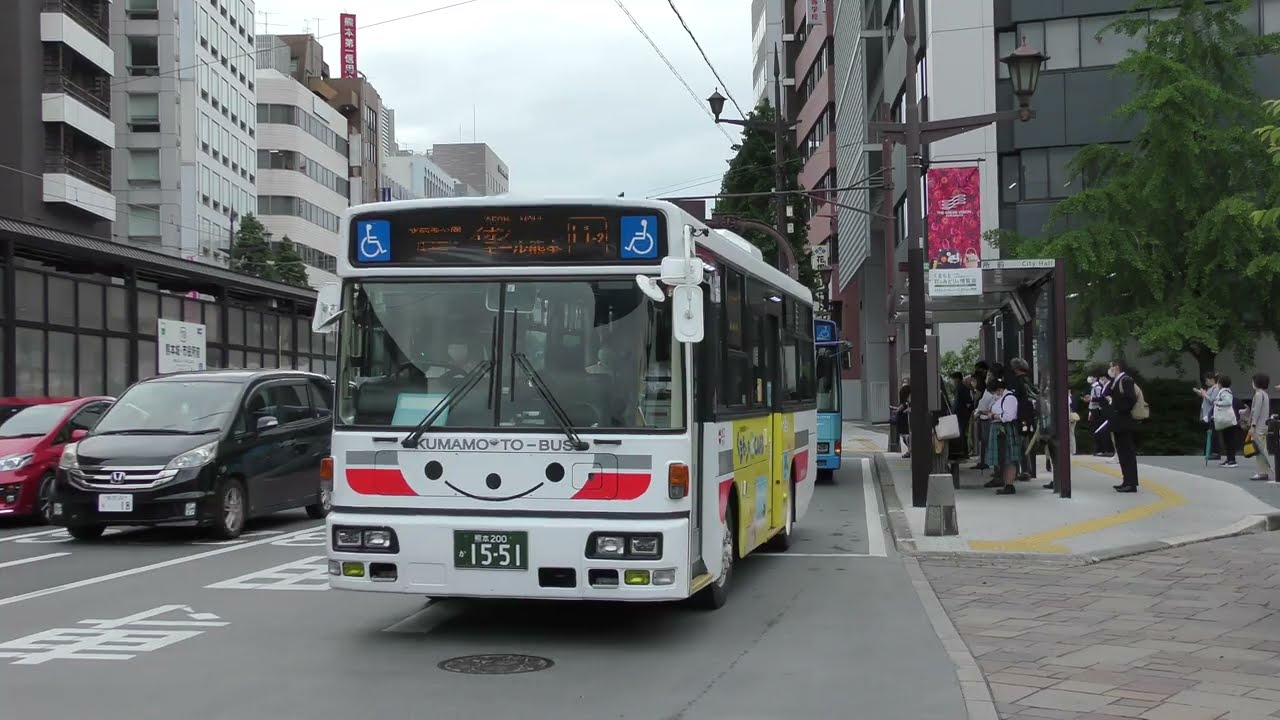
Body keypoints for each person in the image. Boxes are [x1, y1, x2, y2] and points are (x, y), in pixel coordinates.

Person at [1103, 359, 1140, 491]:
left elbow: (1131, 399)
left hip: (1123, 420)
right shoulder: (1117, 381)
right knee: (1122, 453)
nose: (1110, 370)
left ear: (1117, 367)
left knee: (1127, 452)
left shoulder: (1125, 380)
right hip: (1118, 421)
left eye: (1111, 367)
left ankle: (1131, 483)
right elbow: (1106, 392)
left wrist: (1118, 407)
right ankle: (1126, 480)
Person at [984, 377, 1021, 495]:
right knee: (1003, 457)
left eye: (994, 392)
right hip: (1001, 429)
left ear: (999, 389)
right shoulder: (1002, 398)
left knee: (1009, 457)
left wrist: (994, 416)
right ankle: (1006, 483)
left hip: (1005, 429)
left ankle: (1009, 484)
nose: (994, 395)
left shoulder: (1009, 398)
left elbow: (1008, 416)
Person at [1214, 375, 1241, 469]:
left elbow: (1228, 402)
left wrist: (1218, 403)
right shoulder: (1225, 391)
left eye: (1218, 383)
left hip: (1228, 420)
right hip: (1227, 420)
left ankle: (1232, 460)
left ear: (1220, 384)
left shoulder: (1225, 392)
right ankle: (1229, 459)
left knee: (1229, 440)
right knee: (1227, 440)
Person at [1194, 372, 1223, 461]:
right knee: (1210, 433)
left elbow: (1212, 400)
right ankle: (1210, 451)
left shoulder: (1216, 388)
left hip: (1212, 414)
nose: (1206, 383)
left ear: (1212, 380)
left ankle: (1215, 452)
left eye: (1207, 380)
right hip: (1208, 414)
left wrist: (1203, 394)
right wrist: (1203, 394)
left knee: (1213, 433)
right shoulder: (1212, 388)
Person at [1249, 373, 1272, 482]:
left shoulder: (1258, 394)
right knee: (1262, 448)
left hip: (1259, 426)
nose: (1252, 383)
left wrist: (1253, 425)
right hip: (1264, 425)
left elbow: (1256, 411)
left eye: (1253, 381)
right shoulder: (1265, 394)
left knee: (1259, 450)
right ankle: (1264, 471)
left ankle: (1262, 473)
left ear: (1256, 382)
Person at [950, 371, 974, 458]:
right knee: (961, 433)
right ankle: (963, 451)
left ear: (956, 379)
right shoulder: (960, 388)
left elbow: (968, 402)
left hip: (961, 415)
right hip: (960, 414)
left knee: (961, 433)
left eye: (952, 380)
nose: (951, 382)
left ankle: (963, 452)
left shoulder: (961, 388)